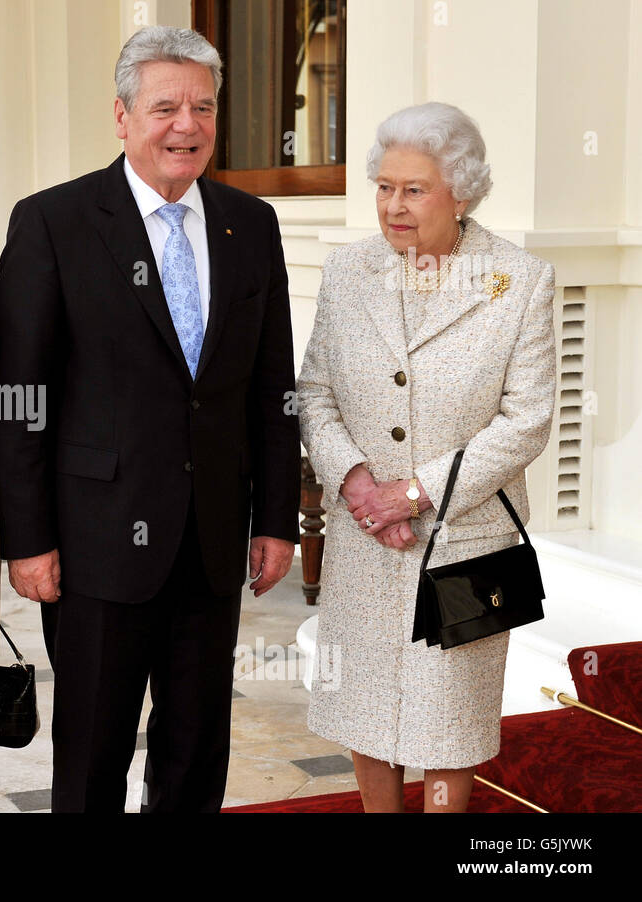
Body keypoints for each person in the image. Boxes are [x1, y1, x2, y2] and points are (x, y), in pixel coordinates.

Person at [0, 26, 300, 813]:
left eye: (202, 107)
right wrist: (27, 540)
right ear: (122, 116)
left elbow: (271, 387)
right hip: (95, 541)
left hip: (212, 537)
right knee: (93, 751)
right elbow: (17, 396)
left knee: (197, 751)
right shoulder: (53, 223)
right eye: (165, 107)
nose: (186, 125)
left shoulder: (251, 224)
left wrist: (277, 518)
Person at [297, 102, 556, 812]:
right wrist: (356, 484)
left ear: (462, 191)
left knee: (450, 724)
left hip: (466, 541)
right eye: (384, 187)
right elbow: (314, 391)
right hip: (364, 536)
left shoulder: (519, 281)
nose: (393, 205)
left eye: (414, 189)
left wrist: (411, 493)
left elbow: (526, 421)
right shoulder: (350, 271)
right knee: (367, 707)